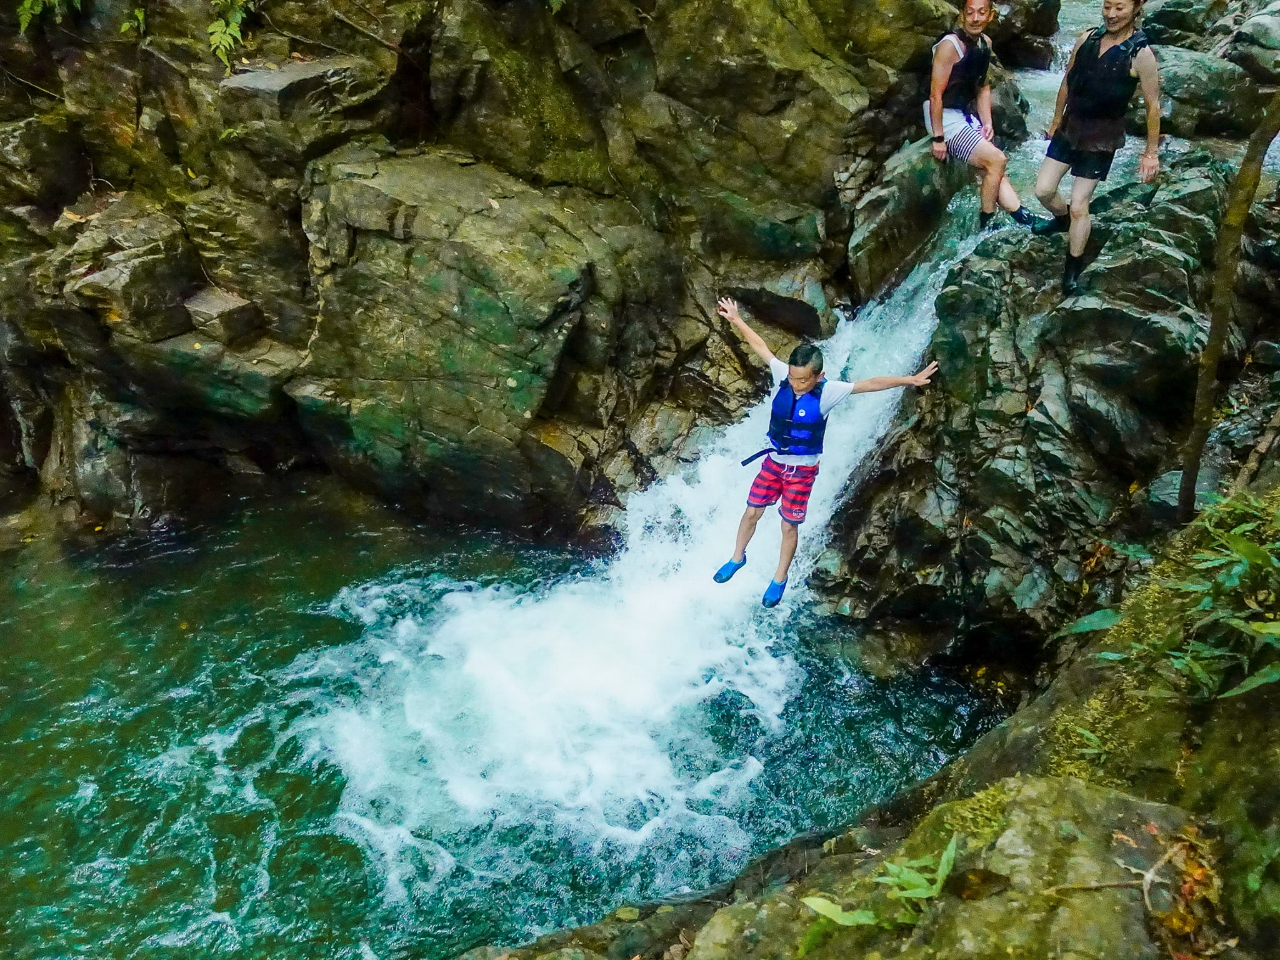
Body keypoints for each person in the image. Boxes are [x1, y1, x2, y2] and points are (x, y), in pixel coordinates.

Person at [712, 298, 938, 608]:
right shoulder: (784, 377)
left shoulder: (828, 391)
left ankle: (779, 578)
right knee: (752, 511)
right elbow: (761, 347)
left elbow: (870, 384)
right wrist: (737, 319)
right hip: (773, 461)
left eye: (802, 380)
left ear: (818, 376)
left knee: (788, 525)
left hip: (802, 471)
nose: (796, 384)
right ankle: (737, 558)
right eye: (793, 378)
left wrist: (908, 380)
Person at [1032, 0, 1160, 295]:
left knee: (1080, 204)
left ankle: (1072, 268)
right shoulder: (1086, 39)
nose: (1112, 14)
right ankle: (1061, 220)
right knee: (1043, 190)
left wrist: (1150, 153)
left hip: (1102, 136)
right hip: (1070, 126)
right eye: (1107, 6)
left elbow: (1154, 106)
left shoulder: (1141, 54)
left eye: (1120, 8)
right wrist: (1054, 122)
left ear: (1136, 8)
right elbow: (1067, 81)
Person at [926, 0, 1043, 231]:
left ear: (990, 15)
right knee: (997, 160)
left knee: (993, 168)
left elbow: (983, 87)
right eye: (970, 13)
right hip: (943, 118)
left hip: (962, 115)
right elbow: (935, 95)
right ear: (962, 15)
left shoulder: (984, 44)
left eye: (981, 13)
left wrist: (987, 122)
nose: (975, 18)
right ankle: (987, 220)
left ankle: (1024, 218)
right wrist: (938, 138)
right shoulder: (949, 46)